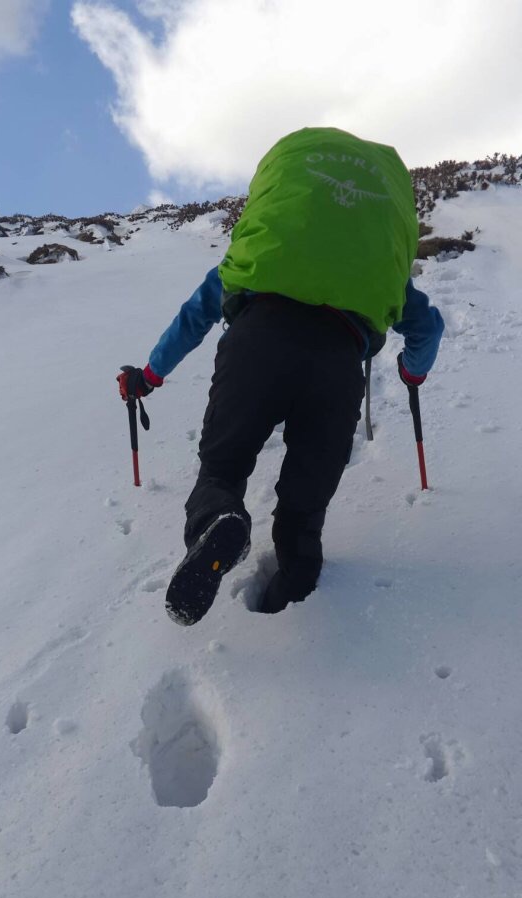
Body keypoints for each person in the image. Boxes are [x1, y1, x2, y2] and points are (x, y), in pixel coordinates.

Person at [117, 127, 444, 626]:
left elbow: (195, 317)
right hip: (338, 361)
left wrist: (149, 376)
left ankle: (220, 519)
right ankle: (287, 608)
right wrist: (411, 371)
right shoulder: (374, 268)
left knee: (221, 471)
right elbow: (429, 327)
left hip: (257, 339)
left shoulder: (260, 255)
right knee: (303, 509)